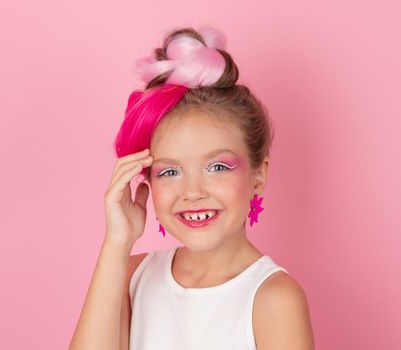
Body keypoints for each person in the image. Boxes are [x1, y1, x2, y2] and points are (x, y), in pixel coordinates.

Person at [70, 26, 315, 350]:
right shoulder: (132, 275)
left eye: (217, 167)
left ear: (259, 174)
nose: (193, 191)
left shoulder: (273, 298)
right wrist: (118, 241)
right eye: (170, 171)